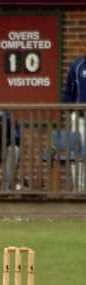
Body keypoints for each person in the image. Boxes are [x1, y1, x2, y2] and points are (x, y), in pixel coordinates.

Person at [62, 54, 86, 191]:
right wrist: (71, 112)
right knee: (77, 152)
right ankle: (80, 188)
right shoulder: (77, 65)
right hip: (80, 117)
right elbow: (68, 93)